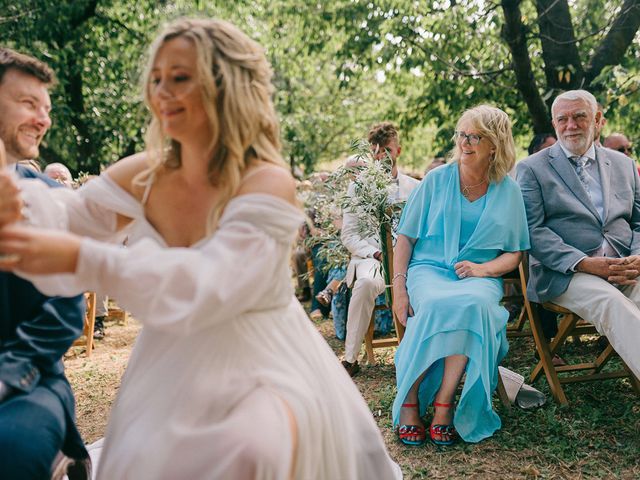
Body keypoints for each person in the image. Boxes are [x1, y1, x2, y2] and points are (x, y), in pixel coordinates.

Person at [0, 18, 401, 479]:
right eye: (156, 80)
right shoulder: (142, 175)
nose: (162, 91)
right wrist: (15, 203)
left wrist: (81, 259)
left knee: (248, 449)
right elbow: (66, 219)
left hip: (264, 364)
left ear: (225, 86)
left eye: (180, 77)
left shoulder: (266, 181)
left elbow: (211, 283)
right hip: (170, 363)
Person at [392, 105, 529, 446]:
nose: (465, 142)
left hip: (480, 277)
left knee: (474, 305)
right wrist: (399, 288)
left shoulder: (509, 190)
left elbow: (514, 253)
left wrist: (483, 269)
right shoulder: (437, 180)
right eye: (462, 134)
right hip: (429, 270)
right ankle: (408, 399)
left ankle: (444, 403)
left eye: (475, 136)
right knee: (438, 304)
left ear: (494, 144)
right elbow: (405, 238)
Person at [0, 48, 88, 479]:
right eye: (28, 104)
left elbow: (66, 308)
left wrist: (6, 376)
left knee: (10, 450)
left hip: (27, 383)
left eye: (46, 108)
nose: (43, 118)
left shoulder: (52, 199)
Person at [516, 89, 640, 380]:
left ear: (598, 120)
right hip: (565, 273)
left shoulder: (623, 164)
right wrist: (583, 263)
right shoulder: (531, 168)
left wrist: (636, 257)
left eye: (580, 116)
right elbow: (531, 230)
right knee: (611, 302)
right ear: (554, 122)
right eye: (563, 119)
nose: (570, 125)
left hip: (625, 265)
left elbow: (639, 221)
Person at [340, 122, 419, 376]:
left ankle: (420, 352)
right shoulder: (357, 188)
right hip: (372, 258)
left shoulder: (416, 188)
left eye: (386, 150)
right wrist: (377, 253)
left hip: (411, 260)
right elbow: (349, 234)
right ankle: (351, 359)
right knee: (364, 284)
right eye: (374, 150)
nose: (379, 156)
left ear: (398, 151)